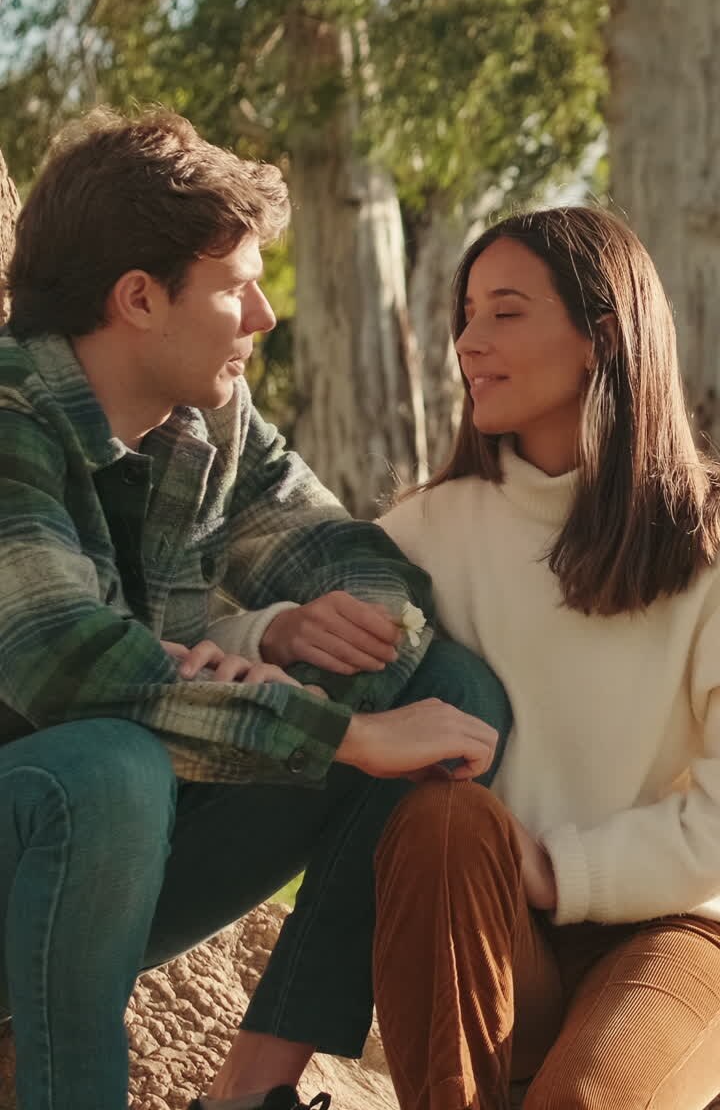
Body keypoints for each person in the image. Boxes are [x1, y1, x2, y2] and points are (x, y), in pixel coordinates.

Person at [0, 108, 512, 1110]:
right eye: (237, 287)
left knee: (449, 685)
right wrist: (343, 730)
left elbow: (363, 564)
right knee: (112, 761)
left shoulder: (207, 417)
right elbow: (61, 663)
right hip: (48, 821)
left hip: (104, 872)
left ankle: (250, 1095)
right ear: (139, 298)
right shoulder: (9, 416)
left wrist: (305, 640)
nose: (265, 317)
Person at [370, 206, 720, 1110]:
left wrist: (562, 869)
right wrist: (259, 641)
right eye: (467, 313)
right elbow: (284, 621)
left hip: (675, 934)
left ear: (602, 338)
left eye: (507, 312)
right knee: (443, 823)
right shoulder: (425, 535)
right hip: (496, 940)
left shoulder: (706, 545)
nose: (468, 342)